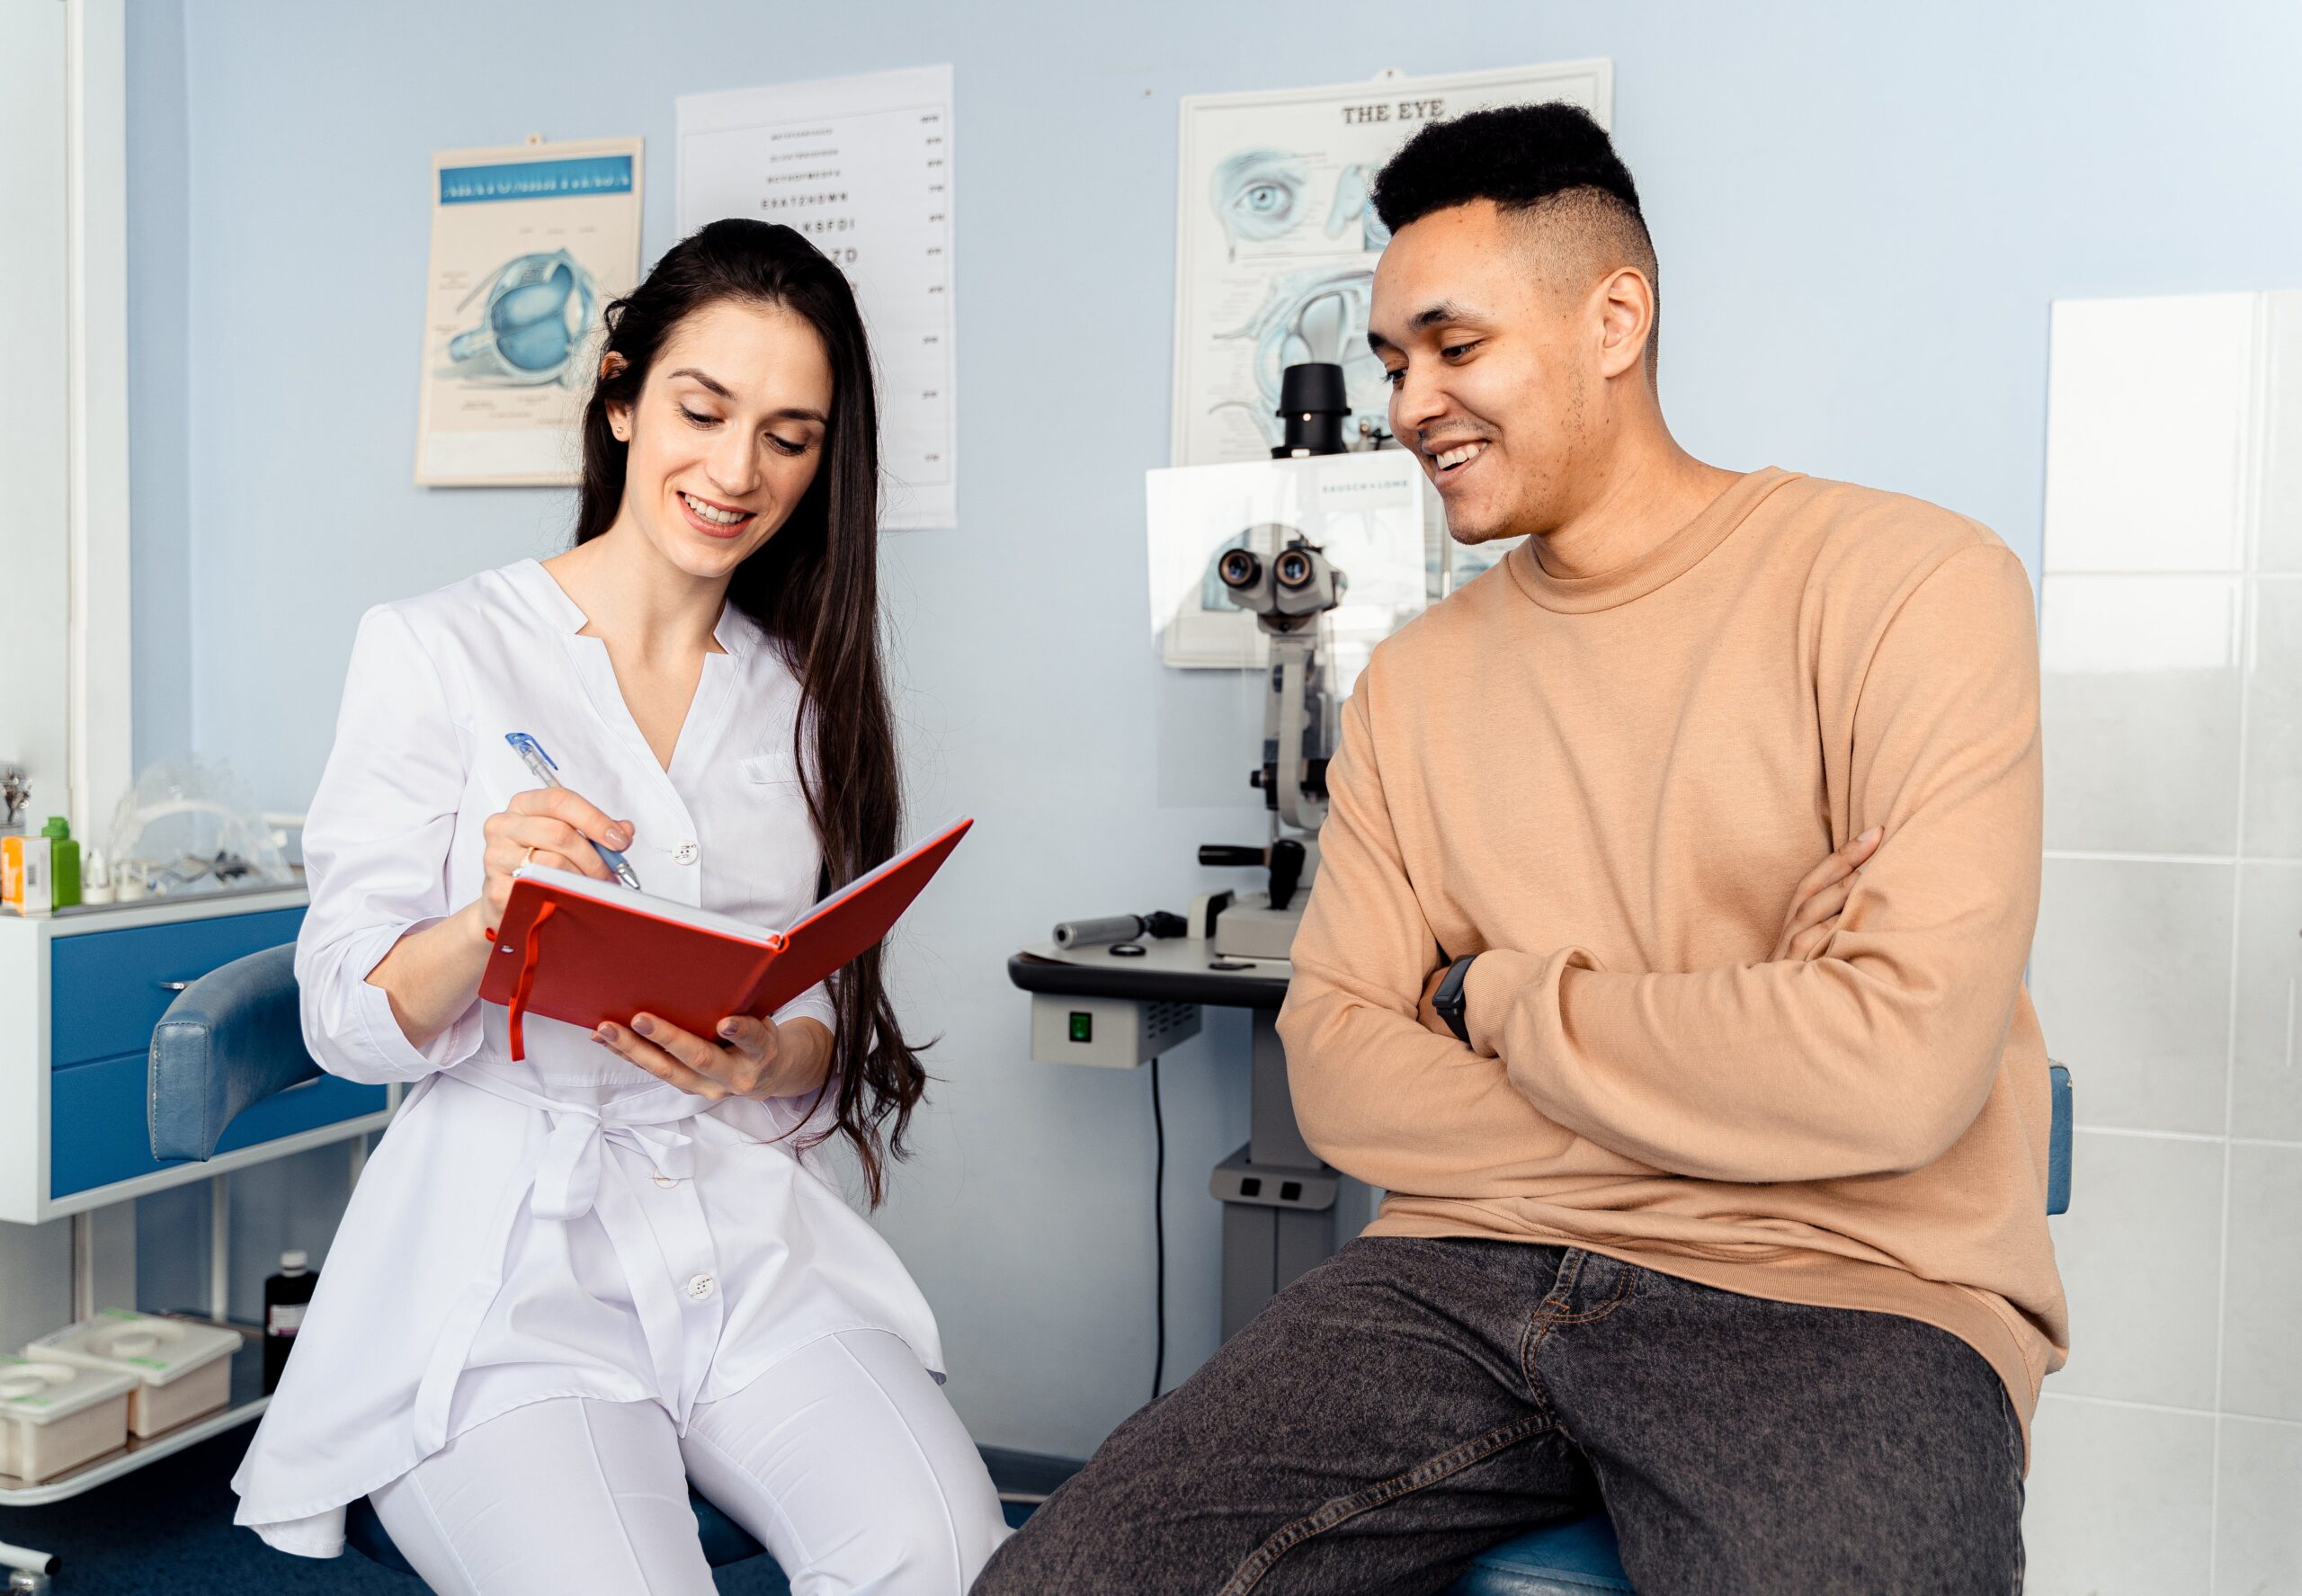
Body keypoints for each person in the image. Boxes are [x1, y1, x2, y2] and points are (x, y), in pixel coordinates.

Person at [977, 104, 2061, 1595]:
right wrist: (1754, 1093)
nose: (1412, 402)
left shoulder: (1911, 587)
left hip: (1848, 1293)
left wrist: (1489, 1001)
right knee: (1060, 1578)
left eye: (1453, 346)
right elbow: (1341, 1055)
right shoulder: (1416, 681)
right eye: (1391, 365)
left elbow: (1899, 1065)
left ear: (1616, 317)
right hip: (1460, 1278)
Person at [231, 220, 1008, 1594]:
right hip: (503, 1262)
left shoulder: (802, 697)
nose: (737, 470)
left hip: (737, 1229)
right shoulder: (437, 649)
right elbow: (345, 1019)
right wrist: (490, 916)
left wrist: (772, 1052)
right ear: (620, 394)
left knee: (945, 1556)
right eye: (703, 411)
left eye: (791, 435)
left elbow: (824, 1022)